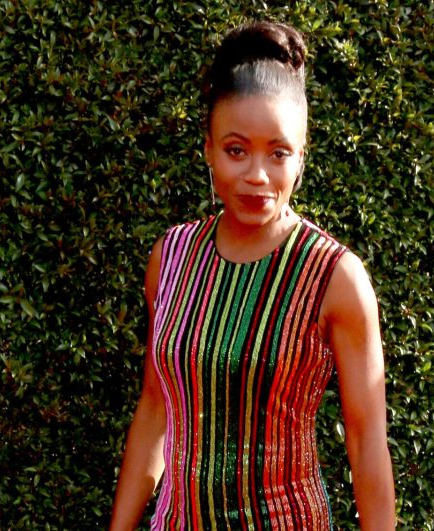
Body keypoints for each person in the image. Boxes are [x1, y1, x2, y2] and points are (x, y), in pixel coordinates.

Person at [109, 21, 395, 530]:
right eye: (236, 150)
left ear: (301, 158)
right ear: (208, 150)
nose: (257, 174)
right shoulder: (172, 257)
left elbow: (365, 436)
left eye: (278, 153)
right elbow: (156, 407)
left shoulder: (334, 276)